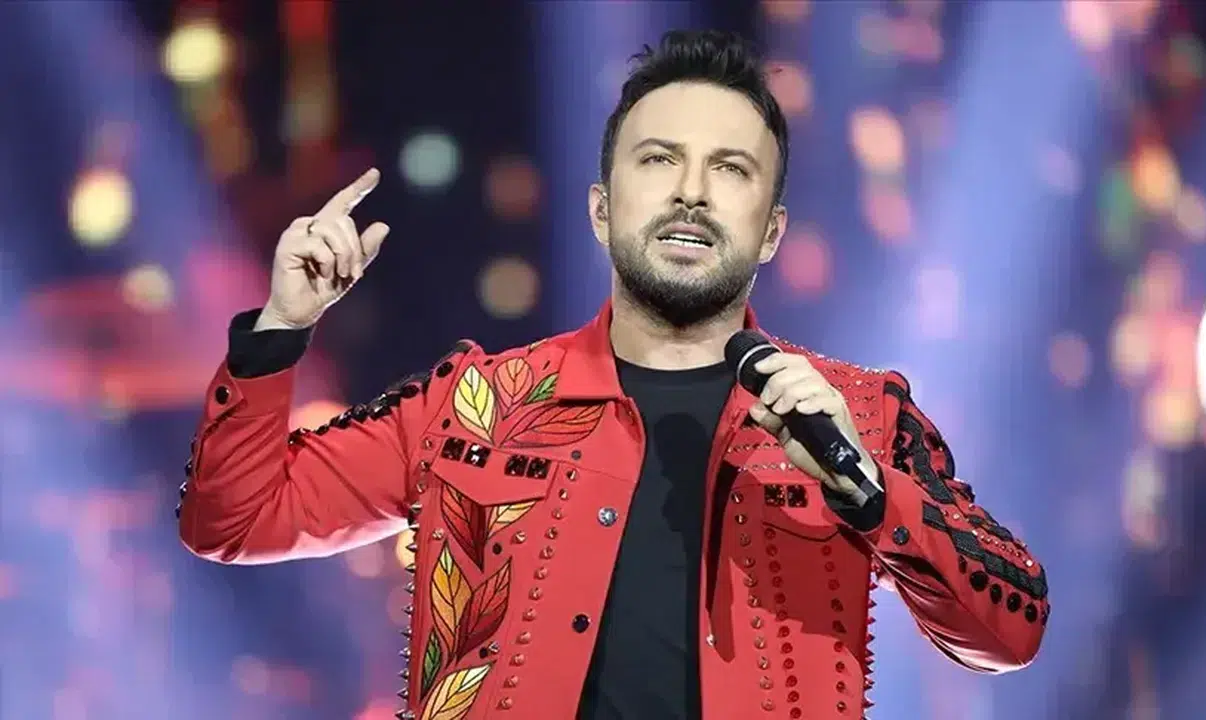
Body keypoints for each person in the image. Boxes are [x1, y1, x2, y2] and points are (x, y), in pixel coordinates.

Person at [179, 30, 1047, 720]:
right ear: (601, 209)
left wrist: (867, 491)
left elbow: (1010, 629)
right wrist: (281, 328)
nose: (691, 191)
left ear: (771, 232)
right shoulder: (473, 407)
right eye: (659, 159)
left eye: (730, 169)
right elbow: (233, 519)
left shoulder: (860, 415)